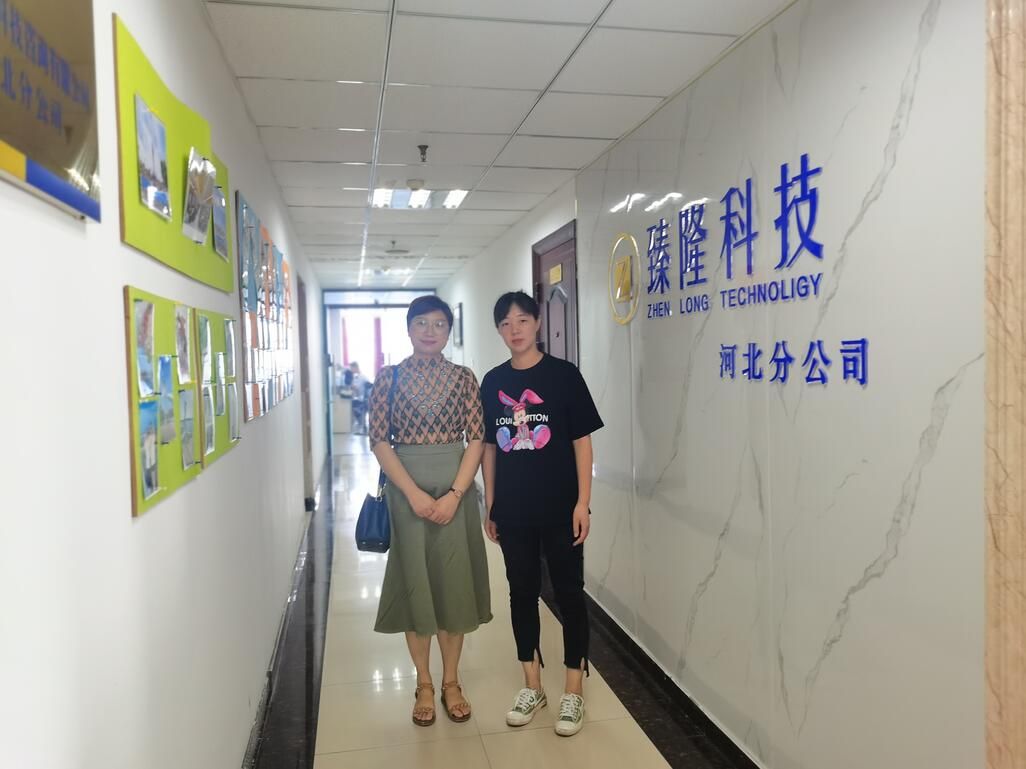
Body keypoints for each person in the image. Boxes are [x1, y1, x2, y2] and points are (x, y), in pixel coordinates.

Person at [480, 290, 604, 738]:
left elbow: (581, 441)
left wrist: (582, 502)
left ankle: (573, 688)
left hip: (560, 507)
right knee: (521, 593)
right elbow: (489, 448)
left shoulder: (563, 376)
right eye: (505, 323)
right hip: (513, 509)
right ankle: (532, 685)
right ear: (499, 331)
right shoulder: (493, 381)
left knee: (569, 593)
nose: (514, 330)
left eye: (522, 320)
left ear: (537, 323)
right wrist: (490, 503)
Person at [368, 295, 492, 727]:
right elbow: (379, 440)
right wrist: (413, 495)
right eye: (421, 323)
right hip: (407, 495)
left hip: (455, 490)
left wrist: (456, 494)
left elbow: (477, 438)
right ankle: (423, 682)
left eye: (439, 324)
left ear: (448, 332)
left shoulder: (463, 378)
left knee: (452, 585)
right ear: (408, 328)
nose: (429, 331)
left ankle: (451, 681)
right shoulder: (388, 378)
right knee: (415, 586)